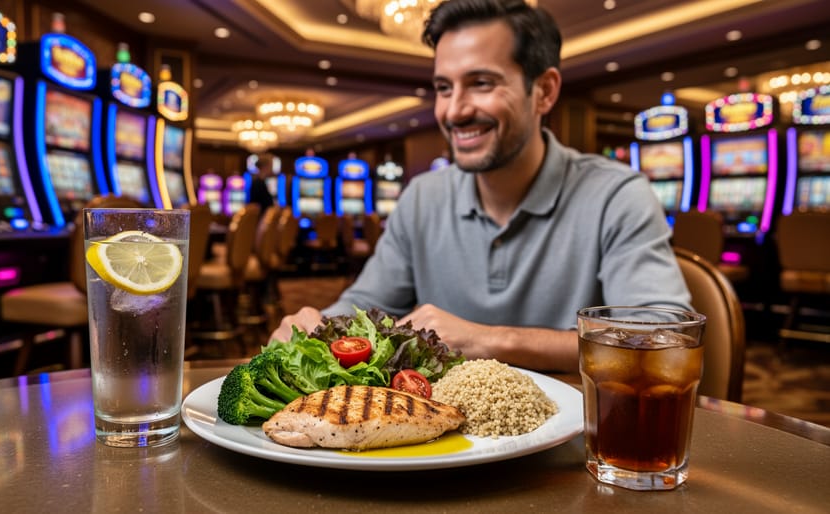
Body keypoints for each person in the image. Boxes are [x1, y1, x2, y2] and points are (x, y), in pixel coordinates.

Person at [270, 0, 692, 373]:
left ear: (543, 91)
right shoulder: (422, 197)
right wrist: (317, 323)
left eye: (481, 83)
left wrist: (489, 340)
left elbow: (664, 339)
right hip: (443, 449)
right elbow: (365, 304)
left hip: (576, 449)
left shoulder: (617, 195)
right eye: (443, 88)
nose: (454, 111)